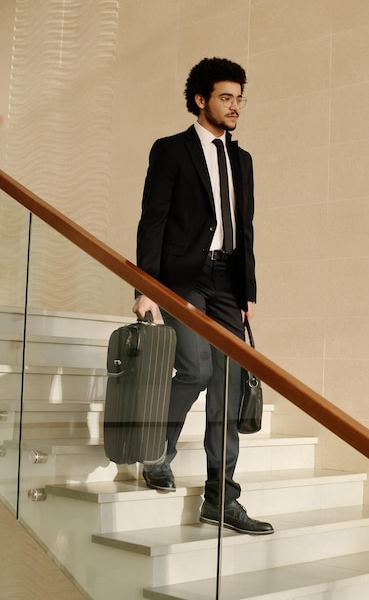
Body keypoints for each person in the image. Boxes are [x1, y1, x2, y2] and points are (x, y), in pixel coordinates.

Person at [133, 57, 273, 535]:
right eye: (226, 98)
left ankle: (221, 497)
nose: (235, 107)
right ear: (201, 100)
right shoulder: (171, 151)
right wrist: (146, 289)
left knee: (229, 384)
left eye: (239, 99)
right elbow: (152, 220)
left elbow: (245, 228)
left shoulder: (243, 159)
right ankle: (156, 451)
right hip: (184, 279)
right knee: (194, 367)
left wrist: (246, 290)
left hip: (227, 283)